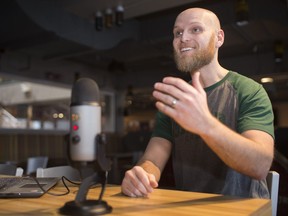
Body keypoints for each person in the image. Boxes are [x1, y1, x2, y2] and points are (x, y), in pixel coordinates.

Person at [121, 7, 274, 198]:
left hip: (243, 207)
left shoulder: (248, 91)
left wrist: (205, 124)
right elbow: (153, 158)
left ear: (219, 38)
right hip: (190, 205)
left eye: (195, 29)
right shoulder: (175, 98)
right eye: (177, 32)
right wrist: (141, 175)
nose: (183, 38)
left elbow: (260, 165)